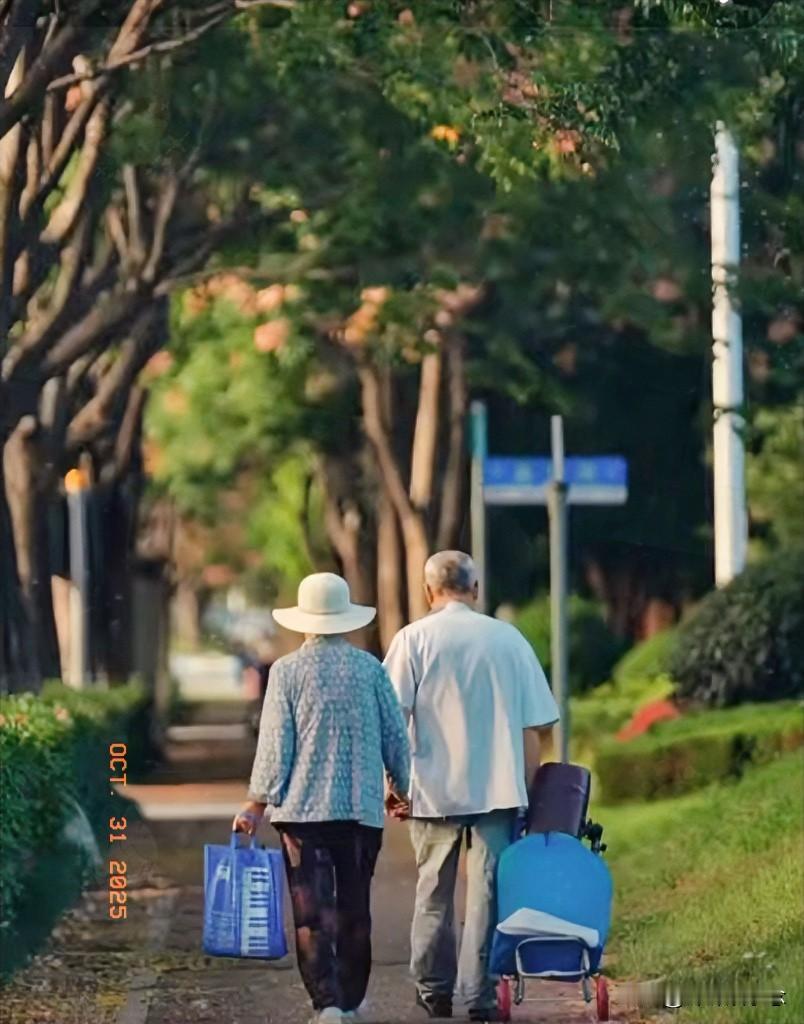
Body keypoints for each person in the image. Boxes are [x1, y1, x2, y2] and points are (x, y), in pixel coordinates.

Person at [383, 551, 559, 1022]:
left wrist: (394, 784)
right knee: (486, 894)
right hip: (498, 791)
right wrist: (528, 789)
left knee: (432, 891)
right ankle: (480, 996)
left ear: (428, 591)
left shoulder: (411, 640)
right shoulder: (508, 640)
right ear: (476, 589)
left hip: (432, 791)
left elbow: (393, 721)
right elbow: (535, 727)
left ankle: (433, 991)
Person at [233, 573, 410, 1024]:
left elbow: (276, 747)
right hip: (358, 811)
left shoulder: (287, 673)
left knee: (311, 914)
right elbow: (395, 736)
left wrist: (256, 803)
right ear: (345, 619)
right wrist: (400, 788)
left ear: (304, 621)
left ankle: (327, 1004)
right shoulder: (370, 669)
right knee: (355, 909)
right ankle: (351, 1001)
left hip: (301, 815)